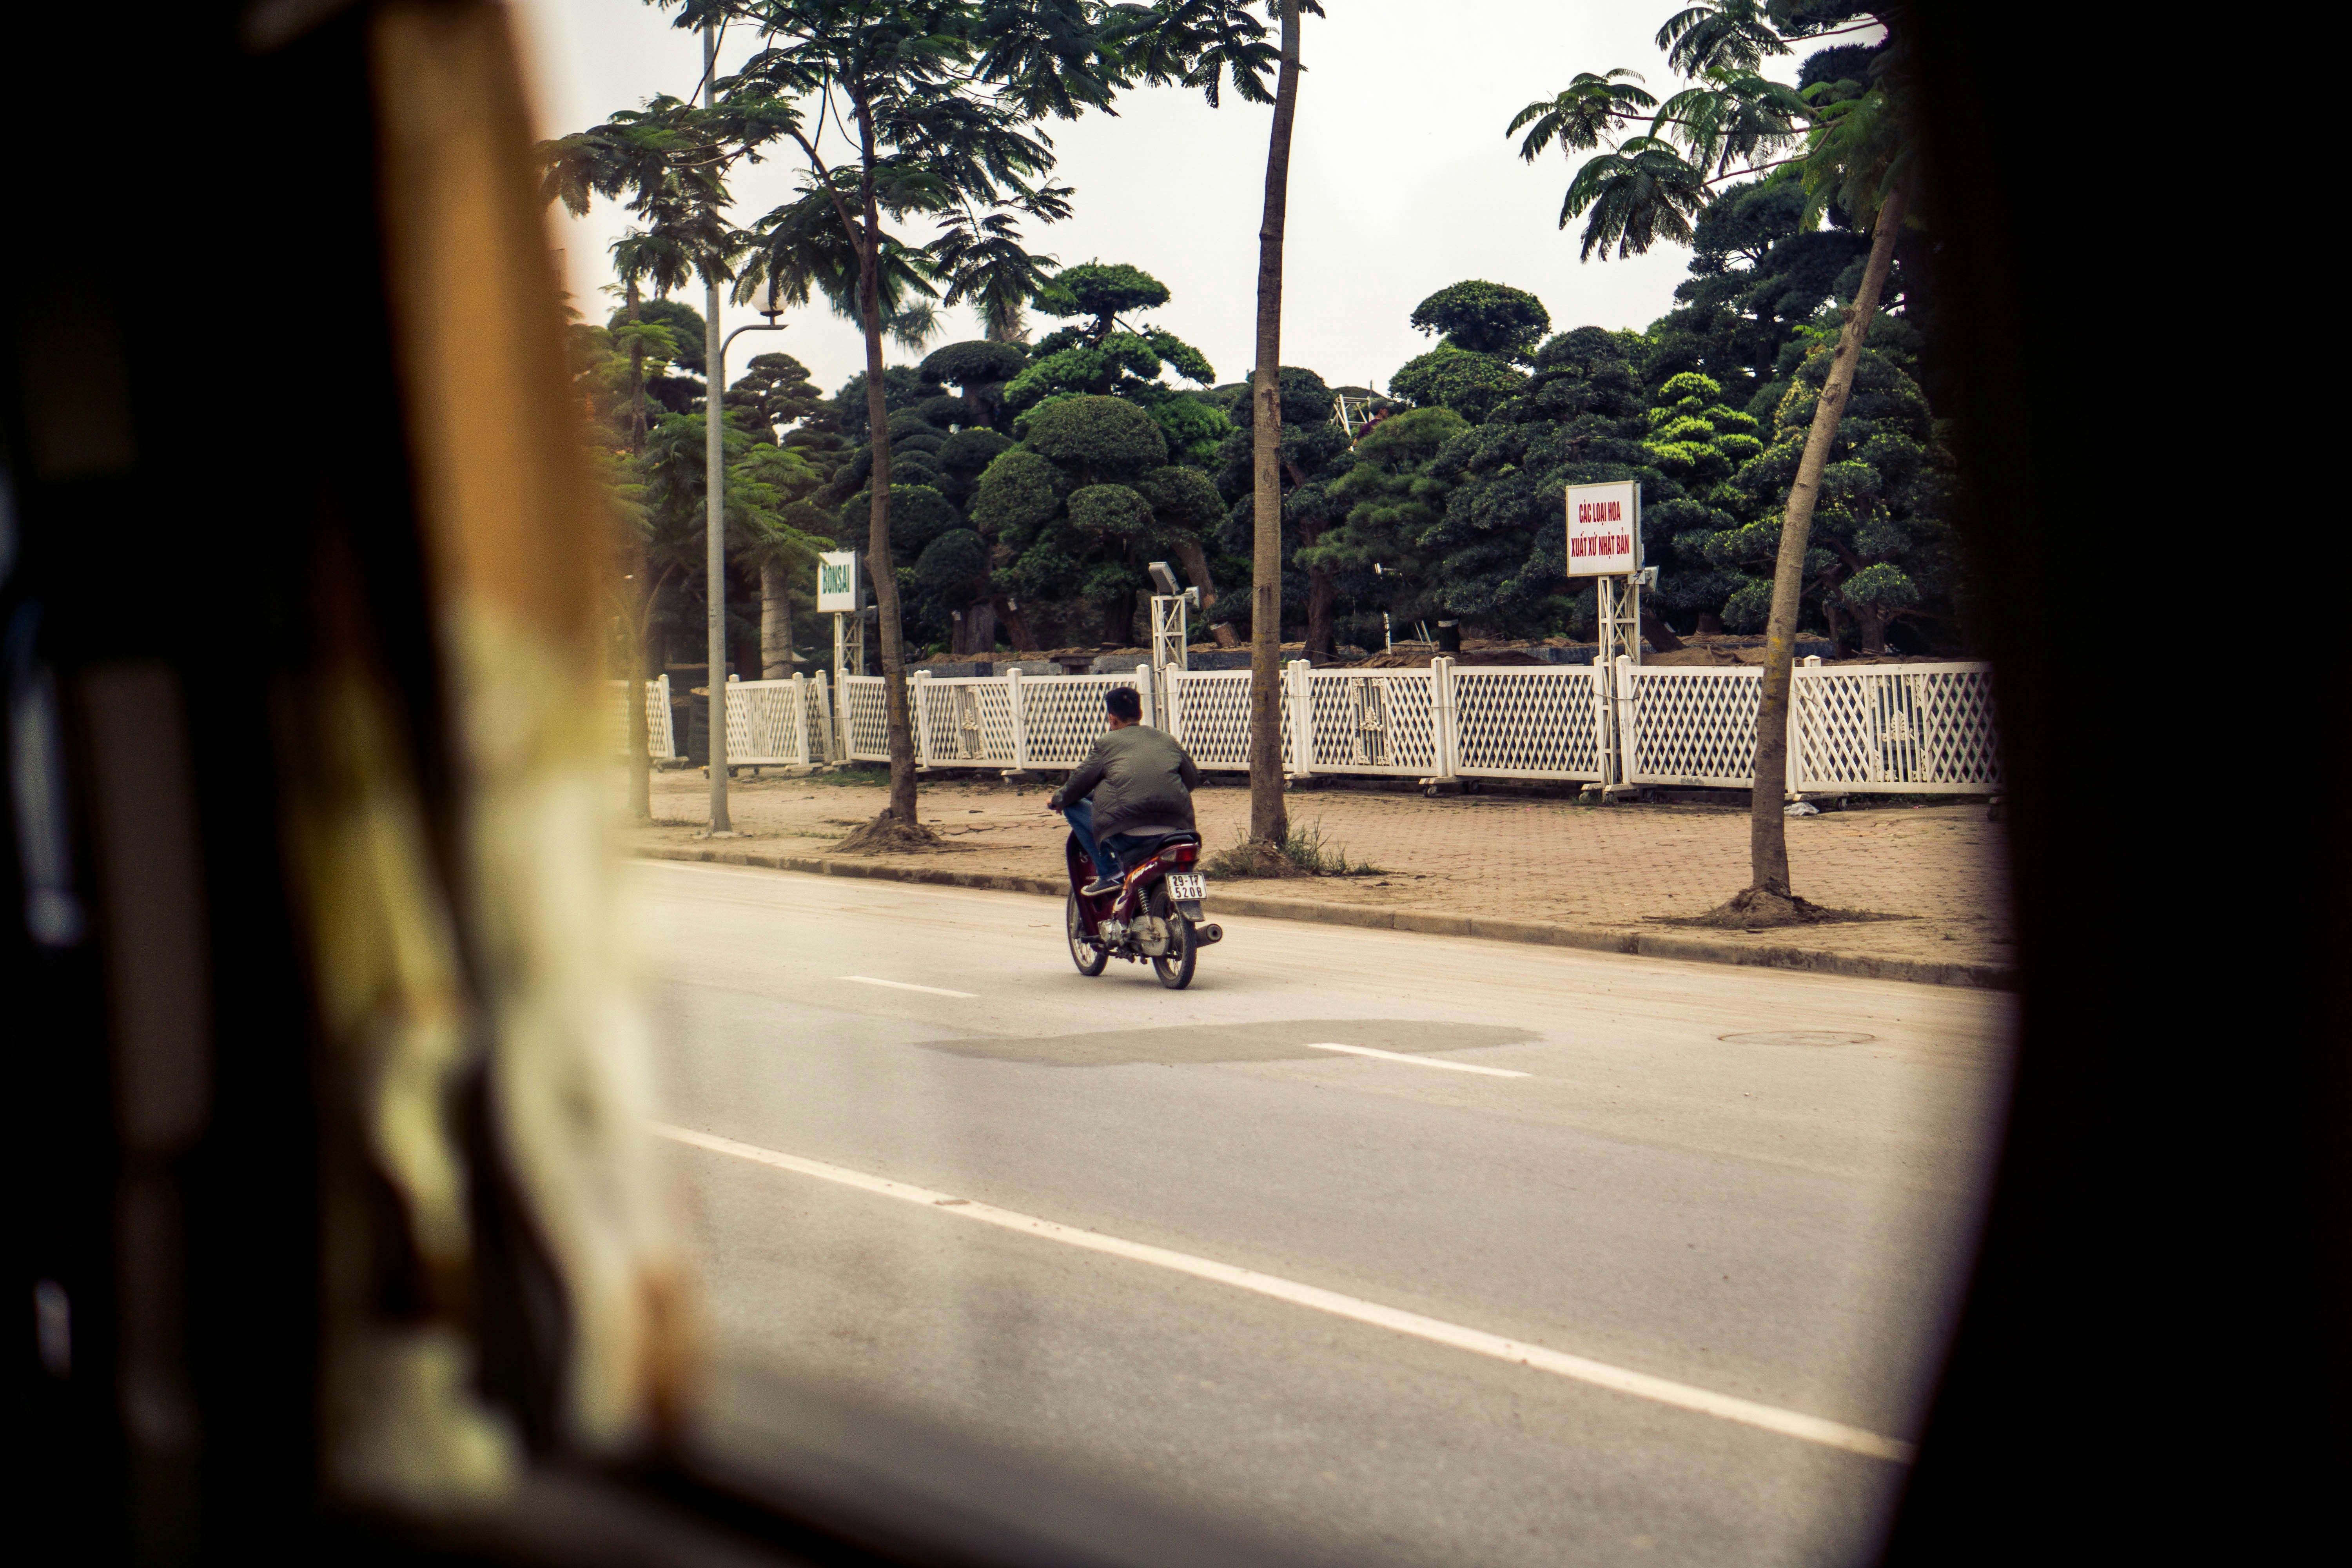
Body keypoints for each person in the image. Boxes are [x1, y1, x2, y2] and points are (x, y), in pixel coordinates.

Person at [1049, 686, 1202, 897]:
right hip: (1177, 831)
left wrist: (1059, 800)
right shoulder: (1168, 739)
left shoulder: (1106, 743)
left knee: (1073, 808)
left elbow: (1078, 785)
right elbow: (1192, 780)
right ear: (1140, 714)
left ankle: (1109, 873)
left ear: (1112, 718)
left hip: (1130, 834)